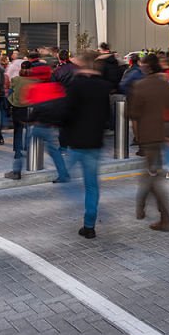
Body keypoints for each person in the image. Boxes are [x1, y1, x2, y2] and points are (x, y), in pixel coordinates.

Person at [48, 51, 112, 239]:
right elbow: (107, 117)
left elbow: (66, 112)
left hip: (76, 142)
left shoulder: (76, 85)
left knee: (68, 177)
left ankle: (65, 182)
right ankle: (89, 224)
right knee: (92, 186)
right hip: (94, 142)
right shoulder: (103, 87)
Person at [127, 54, 169, 231]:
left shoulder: (140, 85)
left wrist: (138, 135)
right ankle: (142, 205)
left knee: (152, 177)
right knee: (151, 173)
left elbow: (133, 114)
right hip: (162, 134)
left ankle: (165, 218)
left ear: (147, 67)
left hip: (148, 136)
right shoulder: (165, 84)